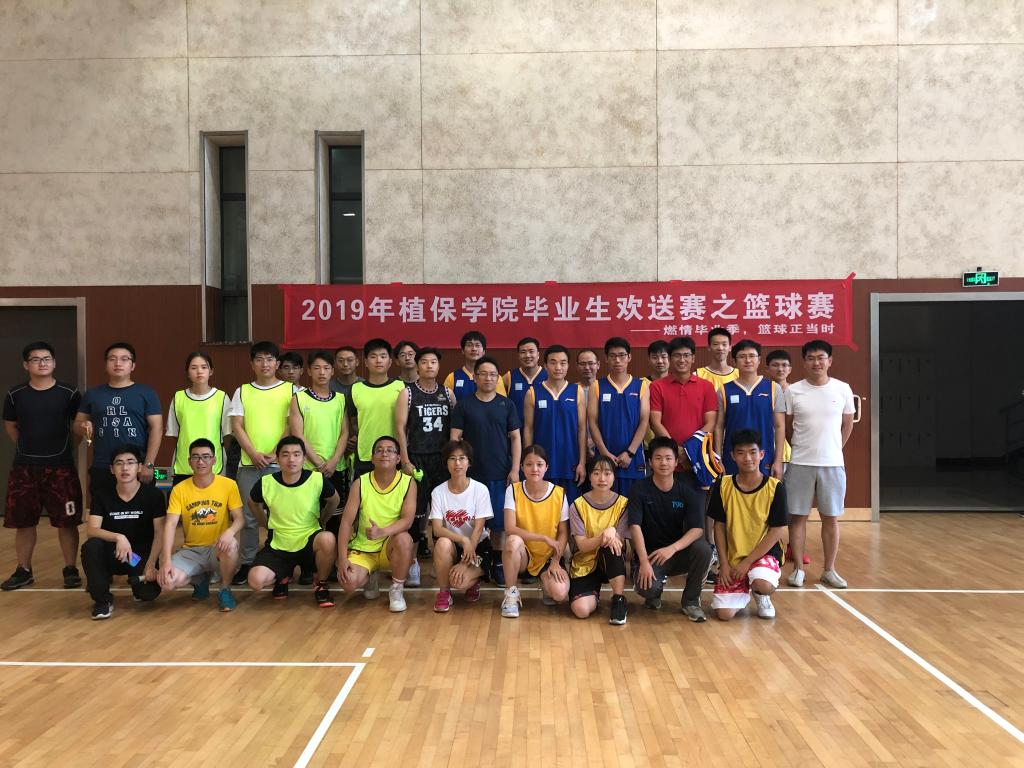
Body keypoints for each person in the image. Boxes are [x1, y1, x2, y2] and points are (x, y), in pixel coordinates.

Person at [2, 341, 84, 590]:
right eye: (36, 359)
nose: (42, 363)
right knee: (24, 522)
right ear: (26, 364)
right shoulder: (15, 394)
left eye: (47, 358)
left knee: (67, 522)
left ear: (54, 363)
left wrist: (67, 448)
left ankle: (70, 569)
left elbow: (78, 428)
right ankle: (23, 570)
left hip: (61, 467)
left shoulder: (69, 393)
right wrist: (27, 447)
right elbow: (11, 426)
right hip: (24, 468)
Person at [785, 340, 855, 589]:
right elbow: (787, 428)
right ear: (804, 362)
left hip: (832, 464)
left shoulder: (843, 389)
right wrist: (801, 448)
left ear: (830, 361)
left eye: (821, 357)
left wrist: (835, 449)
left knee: (831, 518)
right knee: (798, 518)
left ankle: (829, 569)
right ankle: (798, 570)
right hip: (800, 463)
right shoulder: (793, 391)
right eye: (811, 358)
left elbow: (847, 424)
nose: (816, 362)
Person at [450, 356, 521, 585]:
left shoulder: (506, 405)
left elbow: (516, 438)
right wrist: (458, 469)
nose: (488, 378)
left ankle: (498, 562)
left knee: (499, 524)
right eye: (483, 374)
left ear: (498, 378)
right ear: (475, 377)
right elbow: (455, 438)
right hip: (472, 477)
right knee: (472, 523)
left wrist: (515, 469)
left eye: (493, 375)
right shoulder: (464, 405)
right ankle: (474, 560)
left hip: (500, 474)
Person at [228, 341, 294, 585]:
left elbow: (292, 424)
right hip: (249, 465)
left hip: (281, 465)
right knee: (248, 516)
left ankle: (282, 562)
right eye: (259, 359)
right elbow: (237, 425)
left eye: (269, 359)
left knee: (281, 515)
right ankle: (247, 562)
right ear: (252, 364)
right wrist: (254, 453)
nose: (264, 364)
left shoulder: (291, 390)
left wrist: (276, 453)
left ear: (277, 364)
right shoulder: (242, 391)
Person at [246, 437, 339, 607]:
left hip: (309, 541)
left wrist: (322, 520)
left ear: (304, 458)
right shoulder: (266, 483)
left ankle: (321, 584)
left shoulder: (316, 479)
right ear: (277, 458)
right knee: (255, 581)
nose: (291, 459)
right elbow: (252, 503)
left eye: (296, 454)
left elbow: (334, 500)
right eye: (285, 455)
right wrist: (265, 523)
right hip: (279, 545)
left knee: (328, 539)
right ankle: (282, 577)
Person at [628, 436, 713, 622]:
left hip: (677, 552)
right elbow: (634, 526)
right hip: (651, 555)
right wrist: (643, 561)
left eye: (668, 458)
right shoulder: (639, 489)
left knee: (704, 549)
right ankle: (654, 592)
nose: (663, 463)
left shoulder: (687, 490)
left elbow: (697, 529)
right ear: (650, 462)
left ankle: (691, 601)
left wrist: (672, 548)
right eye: (658, 458)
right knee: (647, 589)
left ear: (676, 462)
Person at [708, 429, 788, 621]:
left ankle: (760, 594)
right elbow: (718, 526)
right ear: (732, 456)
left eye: (753, 452)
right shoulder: (723, 485)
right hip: (734, 556)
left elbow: (777, 530)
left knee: (763, 583)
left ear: (762, 454)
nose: (747, 458)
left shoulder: (775, 487)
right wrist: (724, 564)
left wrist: (747, 563)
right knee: (724, 615)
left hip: (763, 554)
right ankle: (743, 590)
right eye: (741, 453)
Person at [159, 438, 243, 612]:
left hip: (217, 548)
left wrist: (230, 532)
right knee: (168, 582)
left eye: (206, 456)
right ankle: (199, 580)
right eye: (195, 457)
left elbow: (240, 518)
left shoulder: (229, 485)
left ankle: (225, 589)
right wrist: (166, 561)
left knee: (232, 545)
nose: (201, 461)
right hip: (191, 550)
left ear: (214, 460)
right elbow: (170, 524)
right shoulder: (179, 489)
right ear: (189, 461)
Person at [81, 445, 164, 619]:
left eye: (130, 462)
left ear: (139, 467)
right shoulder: (102, 495)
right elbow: (92, 530)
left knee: (148, 594)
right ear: (112, 469)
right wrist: (119, 537)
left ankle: (136, 582)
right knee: (91, 546)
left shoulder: (153, 495)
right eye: (119, 463)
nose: (125, 468)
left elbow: (159, 533)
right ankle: (102, 601)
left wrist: (150, 564)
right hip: (113, 553)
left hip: (136, 558)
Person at [289, 350, 350, 583]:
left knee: (334, 518)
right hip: (307, 469)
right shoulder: (299, 399)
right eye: (317, 368)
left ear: (332, 371)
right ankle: (307, 566)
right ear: (309, 371)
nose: (322, 372)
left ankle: (331, 564)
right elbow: (298, 434)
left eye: (326, 368)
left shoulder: (340, 399)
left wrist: (333, 461)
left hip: (337, 467)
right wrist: (318, 462)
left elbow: (344, 433)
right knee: (308, 518)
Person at [337, 435, 416, 612]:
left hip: (390, 546)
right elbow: (346, 523)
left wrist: (382, 532)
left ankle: (396, 589)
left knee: (404, 539)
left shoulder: (408, 483)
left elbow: (407, 521)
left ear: (398, 458)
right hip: (364, 547)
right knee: (348, 583)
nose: (384, 453)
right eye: (379, 450)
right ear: (372, 458)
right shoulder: (360, 483)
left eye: (390, 450)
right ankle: (370, 574)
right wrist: (342, 558)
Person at [74, 342, 162, 497]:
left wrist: (149, 464)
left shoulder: (146, 393)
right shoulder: (93, 394)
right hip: (103, 465)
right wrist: (83, 426)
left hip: (137, 465)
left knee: (141, 509)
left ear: (133, 365)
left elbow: (157, 428)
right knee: (103, 509)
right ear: (106, 364)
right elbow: (76, 425)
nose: (118, 363)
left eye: (124, 359)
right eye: (112, 359)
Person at [395, 347, 453, 560]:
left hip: (441, 460)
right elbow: (400, 428)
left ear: (439, 366)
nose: (429, 366)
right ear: (417, 366)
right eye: (424, 362)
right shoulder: (407, 393)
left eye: (433, 362)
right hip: (417, 457)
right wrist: (405, 460)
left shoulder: (447, 393)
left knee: (442, 510)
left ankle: (443, 558)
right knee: (416, 510)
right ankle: (411, 562)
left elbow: (455, 429)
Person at [500, 445, 569, 618]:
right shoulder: (513, 490)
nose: (534, 469)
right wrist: (543, 538)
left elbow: (563, 533)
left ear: (547, 467)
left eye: (539, 464)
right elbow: (510, 528)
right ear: (522, 467)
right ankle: (511, 595)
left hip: (548, 556)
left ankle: (546, 584)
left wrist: (556, 561)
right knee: (512, 541)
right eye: (529, 464)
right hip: (524, 554)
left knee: (560, 593)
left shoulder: (559, 493)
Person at [429, 439, 492, 612]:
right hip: (455, 545)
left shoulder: (480, 490)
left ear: (469, 462)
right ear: (446, 463)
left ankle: (474, 580)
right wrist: (463, 540)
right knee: (442, 543)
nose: (457, 463)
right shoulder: (438, 492)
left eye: (462, 458)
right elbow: (437, 529)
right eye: (452, 458)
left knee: (459, 582)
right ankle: (444, 593)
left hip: (478, 546)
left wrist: (465, 562)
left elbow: (478, 528)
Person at [568, 456, 629, 625]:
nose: (602, 478)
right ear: (589, 476)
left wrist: (613, 533)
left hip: (611, 559)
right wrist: (604, 535)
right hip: (585, 562)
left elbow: (620, 541)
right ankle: (594, 593)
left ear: (614, 477)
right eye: (596, 473)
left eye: (607, 473)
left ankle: (618, 599)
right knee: (581, 611)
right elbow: (582, 545)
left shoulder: (623, 504)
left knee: (612, 546)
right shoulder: (578, 505)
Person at [523, 345, 586, 504]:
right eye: (553, 362)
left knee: (569, 510)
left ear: (568, 365)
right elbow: (528, 429)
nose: (558, 367)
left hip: (570, 463)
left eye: (563, 363)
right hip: (542, 466)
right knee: (544, 512)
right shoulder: (532, 392)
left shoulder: (577, 391)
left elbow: (582, 430)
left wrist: (582, 462)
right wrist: (528, 461)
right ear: (545, 365)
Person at [713, 340, 785, 479]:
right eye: (742, 356)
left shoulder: (773, 388)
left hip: (764, 456)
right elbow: (719, 427)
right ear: (734, 361)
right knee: (733, 491)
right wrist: (718, 458)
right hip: (733, 457)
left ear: (759, 360)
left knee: (764, 491)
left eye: (752, 356)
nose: (747, 360)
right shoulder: (724, 390)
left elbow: (780, 426)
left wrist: (778, 460)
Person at [588, 337, 649, 497]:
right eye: (613, 356)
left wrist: (630, 453)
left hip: (633, 459)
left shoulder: (641, 386)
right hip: (604, 458)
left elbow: (644, 421)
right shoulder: (597, 386)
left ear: (629, 357)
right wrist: (604, 452)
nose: (617, 360)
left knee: (633, 505)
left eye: (622, 355)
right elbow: (592, 422)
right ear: (606, 359)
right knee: (604, 503)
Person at [649, 337, 718, 466]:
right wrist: (674, 449)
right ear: (670, 358)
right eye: (677, 355)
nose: (682, 360)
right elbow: (655, 423)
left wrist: (688, 450)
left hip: (698, 457)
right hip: (667, 459)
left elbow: (711, 423)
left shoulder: (707, 386)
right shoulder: (656, 386)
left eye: (686, 355)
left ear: (693, 358)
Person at [166, 352, 231, 484]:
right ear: (188, 372)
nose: (199, 371)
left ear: (211, 371)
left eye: (204, 367)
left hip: (214, 467)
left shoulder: (222, 397)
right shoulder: (178, 398)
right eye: (194, 368)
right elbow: (174, 435)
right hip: (184, 466)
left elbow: (228, 435)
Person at [349, 339, 405, 479]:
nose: (378, 360)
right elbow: (354, 422)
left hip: (394, 454)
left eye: (383, 356)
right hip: (366, 454)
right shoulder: (356, 389)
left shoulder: (401, 387)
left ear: (390, 362)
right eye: (373, 357)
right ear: (366, 362)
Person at [444, 331, 507, 403]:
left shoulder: (494, 377)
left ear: (484, 351)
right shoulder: (452, 377)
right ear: (462, 350)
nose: (474, 349)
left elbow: (502, 404)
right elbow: (446, 404)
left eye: (477, 345)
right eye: (469, 345)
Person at [504, 336, 546, 423]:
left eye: (531, 351)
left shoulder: (548, 376)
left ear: (538, 354)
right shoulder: (509, 377)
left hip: (542, 427)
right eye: (523, 352)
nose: (527, 355)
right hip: (516, 429)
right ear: (518, 355)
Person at [576, 349, 599, 457]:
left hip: (602, 448)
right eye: (582, 364)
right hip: (577, 447)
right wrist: (584, 442)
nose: (587, 367)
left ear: (598, 365)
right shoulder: (571, 391)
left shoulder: (605, 389)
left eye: (591, 363)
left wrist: (593, 441)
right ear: (577, 366)